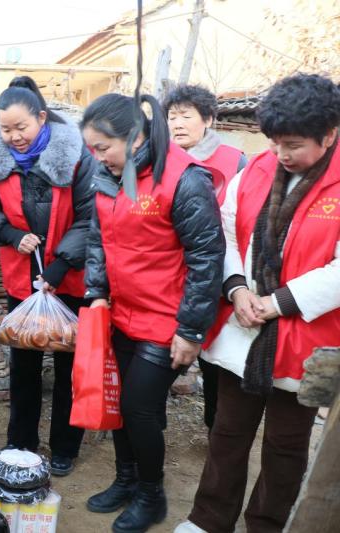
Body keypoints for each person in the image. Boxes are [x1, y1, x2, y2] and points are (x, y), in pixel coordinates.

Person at [176, 74, 340, 533]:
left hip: (305, 332)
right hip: (245, 323)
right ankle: (208, 519)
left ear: (329, 135)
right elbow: (227, 231)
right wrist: (238, 290)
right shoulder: (259, 169)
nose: (280, 154)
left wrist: (280, 303)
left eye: (293, 145)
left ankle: (265, 524)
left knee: (286, 446)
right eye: (274, 142)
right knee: (227, 432)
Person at [81, 92, 225, 533]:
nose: (96, 158)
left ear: (135, 136)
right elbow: (97, 239)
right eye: (91, 149)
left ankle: (151, 493)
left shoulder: (183, 180)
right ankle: (126, 480)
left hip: (166, 319)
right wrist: (97, 292)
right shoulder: (109, 176)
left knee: (139, 407)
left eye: (102, 148)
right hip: (123, 310)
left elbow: (207, 256)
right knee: (122, 404)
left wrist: (190, 330)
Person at [0, 75, 95, 477]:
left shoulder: (76, 156)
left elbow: (91, 216)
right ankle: (21, 440)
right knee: (23, 364)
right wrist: (8, 234)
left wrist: (61, 264)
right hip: (22, 281)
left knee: (68, 369)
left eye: (21, 127)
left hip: (71, 280)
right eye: (5, 129)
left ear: (41, 117)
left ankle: (64, 445)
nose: (14, 137)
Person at [163, 84, 248, 430]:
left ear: (208, 119)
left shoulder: (234, 161)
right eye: (171, 116)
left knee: (216, 362)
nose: (177, 124)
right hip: (170, 275)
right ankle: (148, 424)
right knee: (162, 355)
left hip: (218, 274)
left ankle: (216, 426)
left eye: (186, 116)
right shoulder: (159, 160)